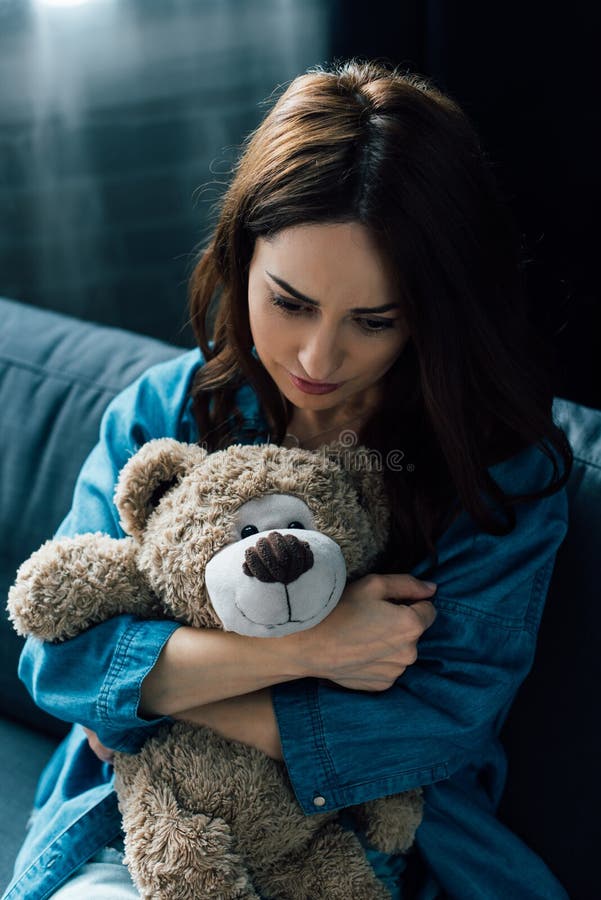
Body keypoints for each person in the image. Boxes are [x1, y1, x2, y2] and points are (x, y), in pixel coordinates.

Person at [3, 58, 573, 900]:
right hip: (142, 830)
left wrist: (155, 699)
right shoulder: (164, 410)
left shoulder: (497, 471)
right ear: (240, 259)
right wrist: (317, 646)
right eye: (290, 302)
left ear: (432, 313)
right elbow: (61, 661)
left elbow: (433, 727)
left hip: (368, 852)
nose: (317, 357)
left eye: (372, 321)